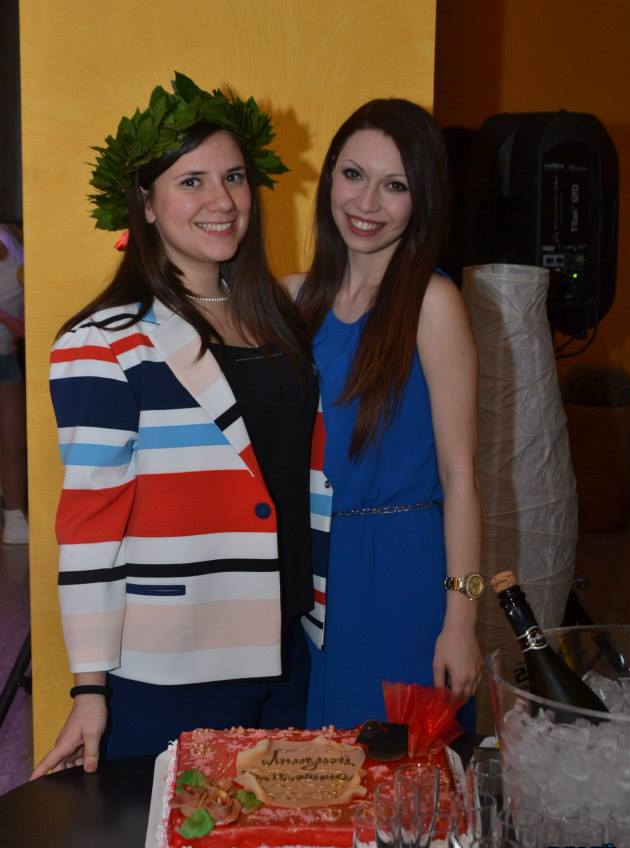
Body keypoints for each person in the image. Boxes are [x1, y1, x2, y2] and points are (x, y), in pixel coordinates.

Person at [32, 74, 319, 778]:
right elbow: (90, 524)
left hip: (292, 646)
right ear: (146, 205)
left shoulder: (282, 321)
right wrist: (89, 688)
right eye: (192, 182)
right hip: (172, 665)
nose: (222, 201)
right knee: (163, 844)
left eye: (234, 178)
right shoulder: (102, 342)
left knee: (278, 839)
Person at [284, 98, 483, 729]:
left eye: (395, 185)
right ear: (329, 179)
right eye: (353, 175)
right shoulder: (293, 300)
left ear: (422, 199)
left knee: (402, 773)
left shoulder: (432, 302)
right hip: (311, 575)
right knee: (315, 770)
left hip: (403, 570)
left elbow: (460, 476)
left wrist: (461, 621)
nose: (366, 203)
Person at [0, 221, 28, 544]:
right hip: (8, 348)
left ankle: (15, 516)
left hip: (6, 355)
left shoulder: (13, 235)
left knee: (14, 441)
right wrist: (13, 322)